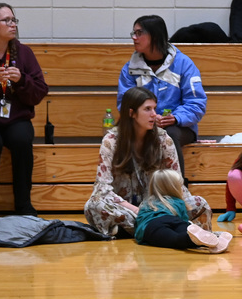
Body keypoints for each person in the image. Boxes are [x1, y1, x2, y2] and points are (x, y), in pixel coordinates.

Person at [85, 86, 213, 237]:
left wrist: (176, 207)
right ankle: (163, 226)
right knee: (94, 205)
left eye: (154, 108)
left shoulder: (163, 139)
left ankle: (142, 229)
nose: (154, 115)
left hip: (159, 207)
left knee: (200, 203)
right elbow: (102, 189)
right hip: (128, 208)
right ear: (131, 113)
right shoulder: (111, 141)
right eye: (147, 109)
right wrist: (137, 210)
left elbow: (177, 184)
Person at [117, 14, 207, 177]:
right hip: (141, 125)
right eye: (133, 33)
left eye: (139, 33)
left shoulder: (184, 64)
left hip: (179, 126)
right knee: (117, 134)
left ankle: (177, 190)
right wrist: (146, 118)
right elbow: (124, 103)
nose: (134, 38)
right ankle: (128, 191)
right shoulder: (129, 69)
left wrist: (175, 118)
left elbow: (196, 104)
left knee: (168, 135)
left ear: (155, 36)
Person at [0, 3, 48, 217]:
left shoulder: (24, 53)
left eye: (14, 20)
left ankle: (24, 206)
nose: (13, 25)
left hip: (16, 118)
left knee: (22, 140)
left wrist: (22, 81)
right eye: (6, 20)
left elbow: (40, 92)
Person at [135, 169, 231, 253]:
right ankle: (213, 241)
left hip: (153, 226)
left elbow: (138, 222)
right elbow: (183, 221)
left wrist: (140, 235)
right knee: (186, 232)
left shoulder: (146, 203)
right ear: (174, 188)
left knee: (175, 239)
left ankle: (201, 241)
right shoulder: (178, 201)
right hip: (174, 220)